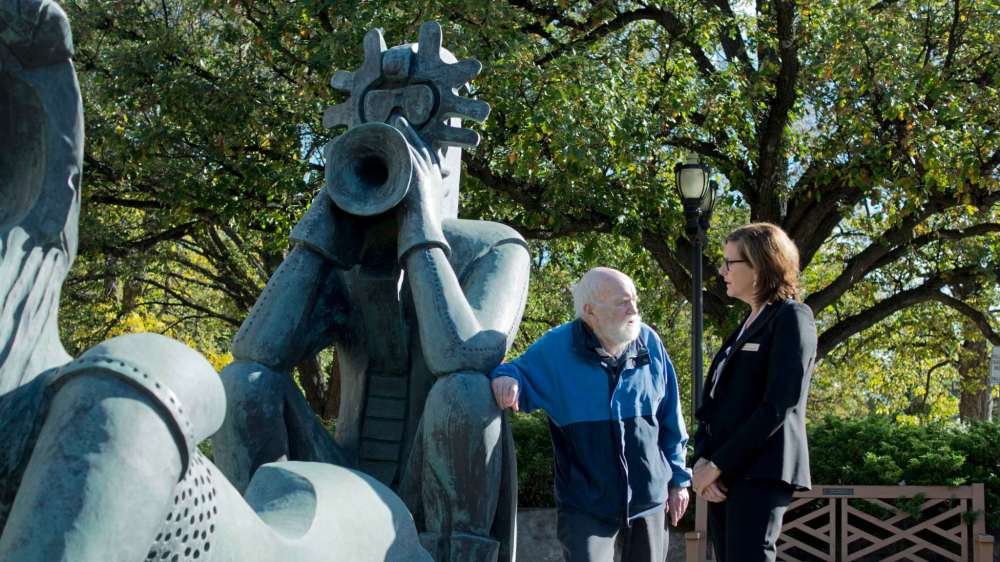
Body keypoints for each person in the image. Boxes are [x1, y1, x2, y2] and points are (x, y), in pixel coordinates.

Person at [490, 267, 691, 562]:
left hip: (649, 500)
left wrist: (679, 480)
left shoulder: (649, 342)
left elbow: (671, 417)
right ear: (590, 310)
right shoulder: (557, 348)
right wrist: (505, 379)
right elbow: (514, 371)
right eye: (623, 302)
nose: (634, 309)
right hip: (585, 506)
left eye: (635, 299)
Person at [691, 223, 817, 562]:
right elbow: (715, 406)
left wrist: (717, 464)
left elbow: (779, 404)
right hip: (724, 474)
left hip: (760, 470)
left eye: (729, 263)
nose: (721, 271)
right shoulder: (744, 326)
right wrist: (703, 461)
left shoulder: (793, 317)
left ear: (760, 266)